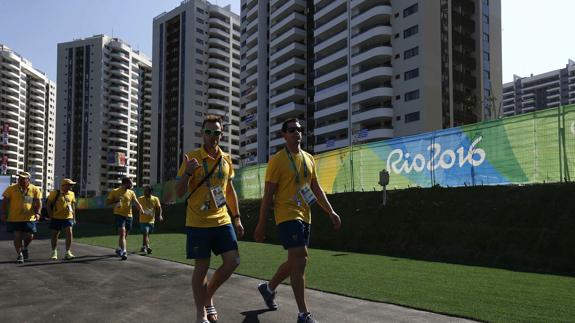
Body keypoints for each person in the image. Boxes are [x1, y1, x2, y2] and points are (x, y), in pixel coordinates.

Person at [254, 118, 342, 323]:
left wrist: (331, 211)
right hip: (286, 215)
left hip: (305, 215)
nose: (297, 133)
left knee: (297, 261)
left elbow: (316, 188)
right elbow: (268, 196)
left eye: (300, 129)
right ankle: (303, 314)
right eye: (292, 130)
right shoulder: (277, 160)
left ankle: (268, 288)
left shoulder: (309, 158)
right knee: (300, 259)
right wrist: (261, 224)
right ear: (283, 135)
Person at [176, 114, 244, 323]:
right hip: (198, 222)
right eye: (208, 132)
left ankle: (207, 297)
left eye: (216, 132)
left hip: (222, 219)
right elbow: (179, 193)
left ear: (221, 134)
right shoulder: (192, 157)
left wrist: (237, 217)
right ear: (202, 133)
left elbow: (229, 190)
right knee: (202, 267)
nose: (212, 136)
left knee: (233, 261)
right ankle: (201, 312)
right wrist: (187, 173)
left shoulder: (226, 159)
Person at [1, 172, 42, 263]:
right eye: (20, 178)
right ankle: (20, 255)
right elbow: (4, 202)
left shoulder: (34, 189)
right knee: (17, 235)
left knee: (30, 235)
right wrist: (3, 213)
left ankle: (25, 247)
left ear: (28, 180)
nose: (21, 180)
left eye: (24, 179)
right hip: (14, 218)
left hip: (29, 217)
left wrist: (38, 213)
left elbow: (38, 202)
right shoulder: (11, 188)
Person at [106, 177, 144, 260]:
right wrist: (116, 201)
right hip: (119, 215)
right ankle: (124, 252)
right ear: (124, 183)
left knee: (125, 235)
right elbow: (107, 202)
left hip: (129, 216)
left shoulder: (131, 192)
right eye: (130, 183)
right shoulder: (115, 191)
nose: (131, 185)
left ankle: (119, 249)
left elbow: (137, 203)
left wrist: (141, 210)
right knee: (122, 233)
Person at [46, 178, 77, 260]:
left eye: (71, 185)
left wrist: (74, 217)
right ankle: (54, 252)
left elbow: (73, 206)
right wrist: (51, 216)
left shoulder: (72, 194)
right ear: (63, 185)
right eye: (69, 185)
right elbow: (48, 204)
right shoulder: (55, 193)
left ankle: (68, 252)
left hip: (68, 217)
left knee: (69, 232)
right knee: (55, 234)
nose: (71, 187)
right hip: (56, 217)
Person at [137, 185, 163, 254]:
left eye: (146, 190)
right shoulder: (140, 198)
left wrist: (160, 215)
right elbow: (136, 206)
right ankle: (148, 247)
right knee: (146, 232)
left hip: (151, 220)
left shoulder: (155, 199)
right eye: (144, 190)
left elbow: (159, 208)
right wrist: (141, 210)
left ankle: (143, 246)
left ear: (150, 191)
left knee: (146, 234)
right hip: (143, 220)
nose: (144, 191)